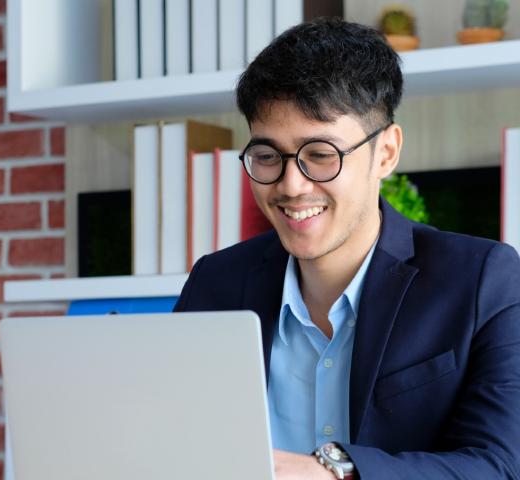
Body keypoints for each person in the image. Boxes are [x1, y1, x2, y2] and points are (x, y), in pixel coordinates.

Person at [174, 18, 520, 480]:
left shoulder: (482, 279)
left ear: (386, 153)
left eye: (320, 155)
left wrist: (333, 471)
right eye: (266, 155)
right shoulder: (215, 282)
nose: (291, 185)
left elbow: (499, 465)